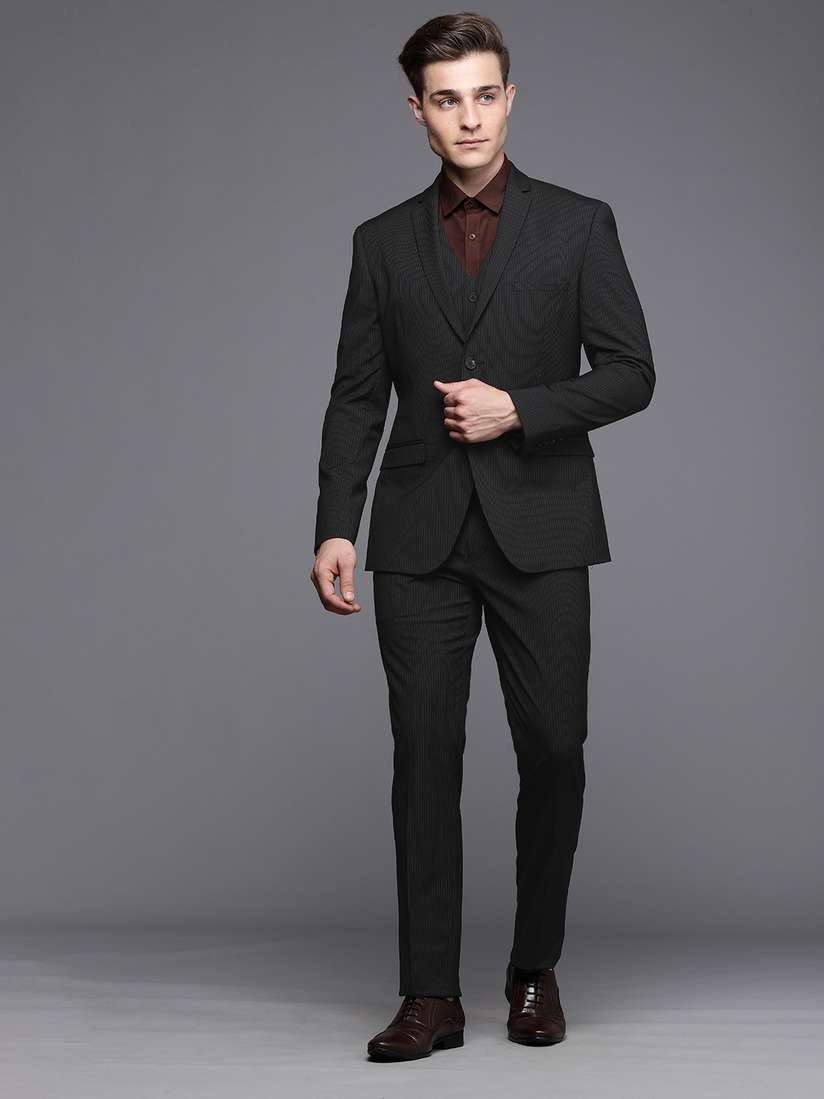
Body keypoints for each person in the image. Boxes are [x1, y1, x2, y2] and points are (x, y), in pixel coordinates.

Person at [309, 12, 655, 1062]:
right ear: (417, 113)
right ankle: (430, 994)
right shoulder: (379, 242)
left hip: (541, 525)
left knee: (554, 748)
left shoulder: (578, 225)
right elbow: (356, 397)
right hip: (417, 534)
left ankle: (532, 966)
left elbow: (631, 372)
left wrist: (522, 409)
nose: (469, 116)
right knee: (425, 757)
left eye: (485, 94)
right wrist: (335, 524)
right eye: (446, 99)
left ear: (510, 99)